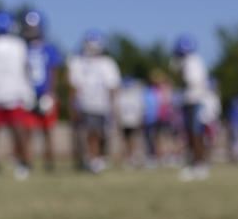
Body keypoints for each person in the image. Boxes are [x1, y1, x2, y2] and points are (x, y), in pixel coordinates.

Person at [0, 11, 34, 180]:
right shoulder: (19, 45)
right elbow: (26, 70)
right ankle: (24, 163)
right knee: (18, 130)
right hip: (14, 92)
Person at [68, 30, 120, 173]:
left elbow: (112, 87)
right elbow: (75, 86)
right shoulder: (78, 62)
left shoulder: (108, 63)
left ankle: (97, 158)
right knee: (90, 133)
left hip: (102, 105)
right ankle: (92, 159)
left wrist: (114, 106)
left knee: (102, 134)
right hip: (86, 104)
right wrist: (73, 105)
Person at [21, 10, 63, 172]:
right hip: (28, 94)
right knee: (27, 131)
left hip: (45, 94)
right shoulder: (22, 48)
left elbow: (54, 72)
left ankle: (50, 165)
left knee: (47, 132)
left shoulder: (49, 48)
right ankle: (26, 163)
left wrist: (51, 94)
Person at [170, 34, 209, 181]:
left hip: (195, 101)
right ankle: (195, 164)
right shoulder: (191, 61)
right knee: (191, 134)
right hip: (190, 102)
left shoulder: (192, 62)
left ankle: (199, 165)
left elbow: (190, 82)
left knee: (195, 134)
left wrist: (178, 73)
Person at [142, 69, 173, 166]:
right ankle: (157, 156)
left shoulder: (164, 89)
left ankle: (166, 156)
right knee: (156, 138)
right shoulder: (152, 90)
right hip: (156, 117)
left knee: (163, 137)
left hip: (164, 117)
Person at [117, 77, 145, 166]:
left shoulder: (135, 95)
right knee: (126, 140)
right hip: (125, 121)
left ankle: (135, 157)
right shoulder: (121, 95)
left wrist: (139, 119)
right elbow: (118, 109)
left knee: (134, 140)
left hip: (133, 121)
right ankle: (128, 157)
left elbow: (139, 109)